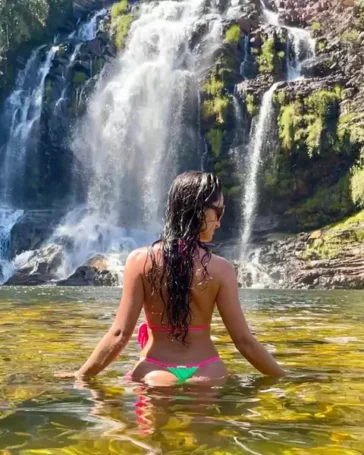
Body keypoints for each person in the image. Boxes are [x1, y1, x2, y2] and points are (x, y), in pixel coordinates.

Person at [57, 171, 285, 386]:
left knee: (142, 430)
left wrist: (81, 375)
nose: (219, 222)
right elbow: (244, 341)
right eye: (219, 212)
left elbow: (119, 335)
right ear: (199, 211)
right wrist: (286, 378)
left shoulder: (139, 261)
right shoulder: (221, 269)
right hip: (207, 371)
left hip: (154, 371)